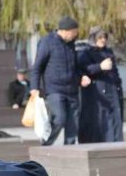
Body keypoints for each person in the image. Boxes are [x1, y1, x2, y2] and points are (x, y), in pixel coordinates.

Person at [30, 16, 90, 145]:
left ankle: (70, 149)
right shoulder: (47, 42)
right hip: (55, 89)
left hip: (72, 89)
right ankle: (45, 144)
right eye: (74, 32)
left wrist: (81, 77)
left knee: (73, 123)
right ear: (66, 31)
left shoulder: (71, 44)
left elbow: (75, 66)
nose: (76, 35)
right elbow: (37, 67)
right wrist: (34, 87)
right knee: (59, 119)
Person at [77, 26, 123, 143]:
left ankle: (114, 143)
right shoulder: (85, 52)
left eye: (104, 37)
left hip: (111, 89)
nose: (103, 40)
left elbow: (114, 71)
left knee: (114, 118)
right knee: (99, 118)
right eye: (100, 37)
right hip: (95, 91)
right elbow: (83, 69)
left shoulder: (108, 52)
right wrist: (100, 67)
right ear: (93, 38)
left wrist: (118, 83)